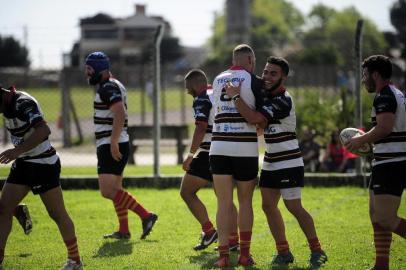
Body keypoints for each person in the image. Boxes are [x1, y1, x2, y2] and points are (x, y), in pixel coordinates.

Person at [225, 56, 328, 268]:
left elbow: (254, 119)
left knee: (294, 207)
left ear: (284, 77)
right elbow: (258, 122)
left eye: (274, 73)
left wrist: (235, 97)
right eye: (266, 72)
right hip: (271, 160)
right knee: (268, 206)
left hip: (289, 161)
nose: (267, 77)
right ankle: (283, 252)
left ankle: (317, 250)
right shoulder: (265, 96)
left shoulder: (283, 99)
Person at [0, 86, 83, 270]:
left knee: (57, 213)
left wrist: (17, 151)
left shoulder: (24, 103)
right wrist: (18, 154)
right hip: (22, 164)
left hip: (43, 164)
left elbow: (44, 130)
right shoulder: (5, 105)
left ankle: (75, 261)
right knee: (3, 208)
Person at [84, 51, 158, 240]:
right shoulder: (114, 84)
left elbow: (119, 114)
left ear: (99, 70)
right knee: (116, 188)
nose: (87, 73)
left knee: (107, 191)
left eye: (89, 69)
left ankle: (146, 215)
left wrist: (113, 142)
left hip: (111, 143)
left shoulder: (107, 88)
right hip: (117, 142)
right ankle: (124, 229)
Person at [345, 55, 406, 270]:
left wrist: (359, 140)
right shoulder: (393, 93)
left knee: (386, 218)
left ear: (375, 75)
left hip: (392, 163)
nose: (363, 79)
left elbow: (385, 127)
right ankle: (381, 265)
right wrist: (370, 145)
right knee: (376, 215)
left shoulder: (385, 95)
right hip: (385, 161)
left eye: (365, 74)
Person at [210, 44, 262, 267]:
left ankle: (223, 257)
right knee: (245, 201)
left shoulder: (217, 78)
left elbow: (215, 113)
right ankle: (244, 254)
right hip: (244, 148)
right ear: (250, 59)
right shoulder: (253, 80)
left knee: (223, 203)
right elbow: (259, 117)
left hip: (219, 146)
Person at [180, 69, 239, 252]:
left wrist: (190, 156)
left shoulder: (201, 98)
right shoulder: (216, 93)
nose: (187, 91)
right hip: (227, 149)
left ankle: (209, 231)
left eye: (188, 87)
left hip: (208, 152)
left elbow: (201, 127)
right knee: (225, 199)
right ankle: (234, 240)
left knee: (186, 192)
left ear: (197, 84)